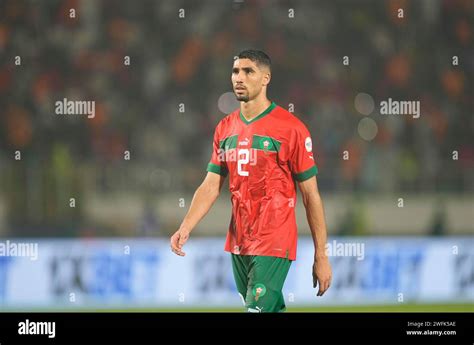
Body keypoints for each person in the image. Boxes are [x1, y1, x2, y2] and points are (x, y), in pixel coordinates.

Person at [170, 49, 332, 312]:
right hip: (239, 240)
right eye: (235, 71)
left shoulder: (291, 129)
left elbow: (311, 195)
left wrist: (321, 255)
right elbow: (211, 184)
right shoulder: (225, 128)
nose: (239, 78)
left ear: (265, 78)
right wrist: (186, 226)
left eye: (248, 71)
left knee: (255, 310)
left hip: (274, 238)